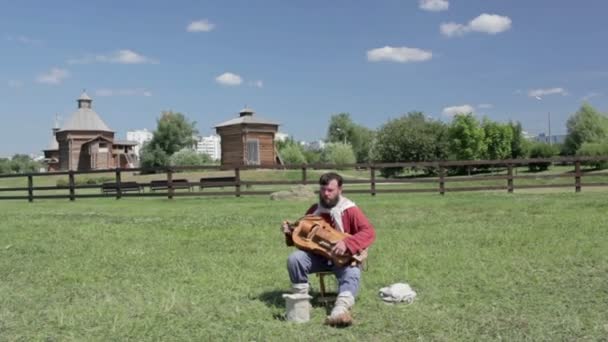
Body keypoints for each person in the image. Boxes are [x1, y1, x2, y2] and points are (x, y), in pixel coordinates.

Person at [281, 172, 376, 327]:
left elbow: (369, 232)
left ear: (340, 190)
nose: (326, 194)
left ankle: (341, 309)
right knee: (295, 259)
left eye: (330, 190)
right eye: (323, 189)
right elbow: (305, 241)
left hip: (343, 259)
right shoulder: (314, 210)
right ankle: (301, 302)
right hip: (318, 257)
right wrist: (291, 233)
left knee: (353, 271)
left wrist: (347, 244)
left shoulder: (350, 210)